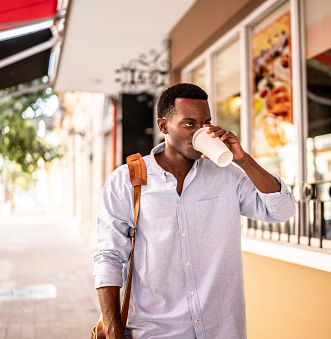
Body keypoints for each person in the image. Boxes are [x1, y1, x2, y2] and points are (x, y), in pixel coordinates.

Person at [93, 83, 296, 339]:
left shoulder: (227, 175)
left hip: (222, 330)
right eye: (189, 124)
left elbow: (282, 211)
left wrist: (243, 159)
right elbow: (109, 256)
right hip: (155, 331)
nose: (200, 132)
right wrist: (112, 327)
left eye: (206, 123)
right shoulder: (127, 180)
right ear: (163, 126)